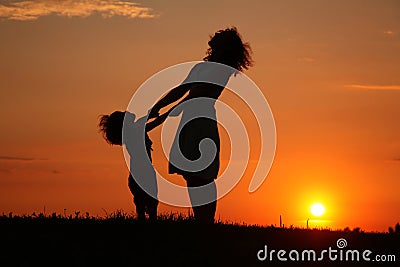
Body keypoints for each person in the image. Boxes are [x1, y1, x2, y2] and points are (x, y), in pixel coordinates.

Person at [148, 27, 253, 223]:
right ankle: (201, 220)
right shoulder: (201, 67)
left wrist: (159, 118)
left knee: (202, 175)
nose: (215, 35)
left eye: (221, 37)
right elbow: (181, 89)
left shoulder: (221, 69)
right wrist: (156, 107)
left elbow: (193, 95)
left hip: (202, 122)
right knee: (190, 174)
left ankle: (206, 221)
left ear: (225, 46)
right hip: (189, 121)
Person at [98, 110, 168, 220]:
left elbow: (148, 117)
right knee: (151, 206)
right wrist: (170, 112)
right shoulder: (135, 131)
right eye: (124, 114)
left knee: (145, 206)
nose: (127, 112)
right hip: (144, 174)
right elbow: (156, 122)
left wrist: (152, 113)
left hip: (137, 175)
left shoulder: (134, 131)